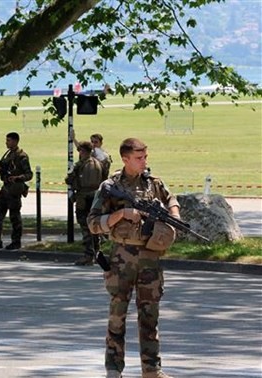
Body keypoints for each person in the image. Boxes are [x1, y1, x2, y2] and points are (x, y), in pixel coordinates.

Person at [88, 138, 179, 378]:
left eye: (145, 157)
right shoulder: (110, 187)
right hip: (122, 257)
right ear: (125, 159)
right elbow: (93, 223)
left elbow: (172, 200)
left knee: (150, 316)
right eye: (139, 158)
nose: (144, 161)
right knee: (117, 315)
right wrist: (121, 214)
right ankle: (114, 369)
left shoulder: (153, 184)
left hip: (150, 256)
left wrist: (173, 217)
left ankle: (151, 370)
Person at [0, 132, 33, 250]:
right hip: (5, 188)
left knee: (14, 217)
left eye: (9, 140)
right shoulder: (8, 154)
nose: (7, 143)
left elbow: (29, 174)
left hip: (14, 189)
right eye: (6, 140)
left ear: (15, 141)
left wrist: (17, 178)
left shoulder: (22, 156)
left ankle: (16, 241)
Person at [65, 141, 104, 266]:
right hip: (96, 198)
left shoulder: (81, 165)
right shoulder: (98, 163)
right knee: (95, 228)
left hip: (84, 197)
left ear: (83, 151)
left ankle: (88, 255)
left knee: (85, 227)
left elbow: (69, 179)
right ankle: (97, 253)